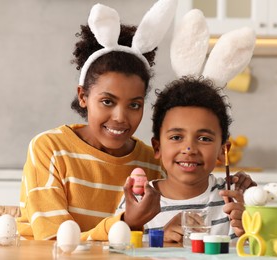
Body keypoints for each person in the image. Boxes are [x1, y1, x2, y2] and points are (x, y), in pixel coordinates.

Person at [17, 1, 178, 241]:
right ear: (83, 96)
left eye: (134, 105)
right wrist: (125, 224)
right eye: (107, 101)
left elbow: (179, 211)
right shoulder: (50, 149)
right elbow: (55, 240)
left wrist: (236, 187)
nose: (121, 117)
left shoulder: (151, 163)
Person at [116, 76, 256, 243]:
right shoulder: (137, 200)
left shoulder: (239, 197)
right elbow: (117, 250)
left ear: (223, 150)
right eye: (176, 137)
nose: (189, 149)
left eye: (204, 139)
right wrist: (161, 239)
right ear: (157, 147)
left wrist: (254, 231)